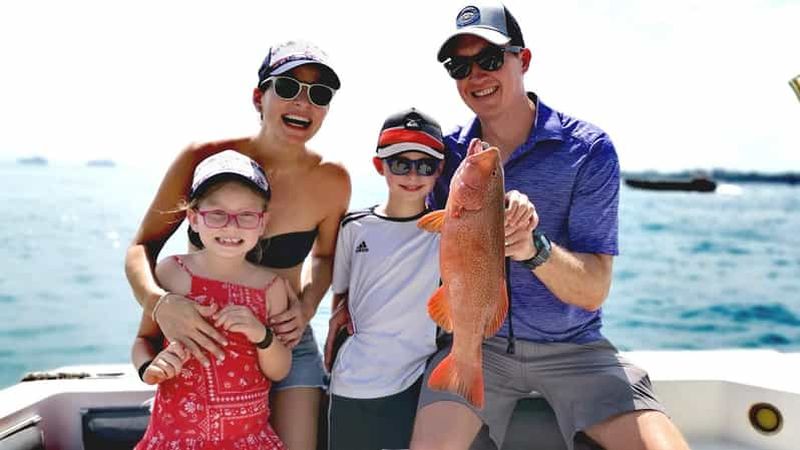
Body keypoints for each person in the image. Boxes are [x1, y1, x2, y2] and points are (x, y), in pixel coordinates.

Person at [410, 3, 692, 450]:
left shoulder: (588, 150)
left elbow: (594, 290)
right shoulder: (445, 155)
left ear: (522, 60)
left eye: (489, 60)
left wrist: (532, 247)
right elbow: (402, 224)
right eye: (459, 66)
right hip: (475, 345)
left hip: (575, 351)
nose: (475, 76)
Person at [125, 40, 351, 450]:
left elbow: (325, 256)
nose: (303, 103)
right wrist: (160, 304)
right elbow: (143, 247)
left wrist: (305, 307)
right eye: (288, 87)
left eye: (319, 95)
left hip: (284, 337)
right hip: (202, 333)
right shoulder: (203, 158)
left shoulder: (332, 179)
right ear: (258, 97)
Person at [132, 150, 291, 449]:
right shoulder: (172, 273)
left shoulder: (271, 287)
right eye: (217, 214)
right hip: (175, 439)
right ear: (193, 218)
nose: (231, 226)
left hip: (247, 440)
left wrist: (262, 335)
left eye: (246, 215)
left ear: (262, 222)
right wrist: (149, 368)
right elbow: (143, 341)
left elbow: (280, 369)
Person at [323, 108, 445, 450]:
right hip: (352, 382)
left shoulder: (447, 231)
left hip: (415, 380)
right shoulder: (354, 226)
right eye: (400, 163)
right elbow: (342, 297)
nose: (412, 173)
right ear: (380, 166)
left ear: (439, 171)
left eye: (425, 165)